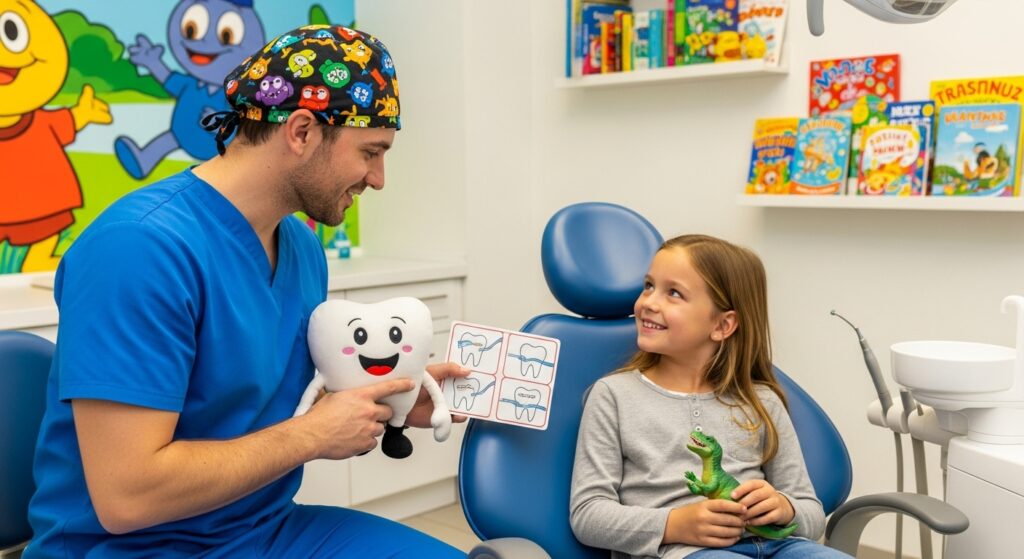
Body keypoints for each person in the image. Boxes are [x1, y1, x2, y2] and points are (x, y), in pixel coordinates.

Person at [25, 24, 469, 558]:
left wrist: (391, 400)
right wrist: (312, 436)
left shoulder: (301, 248)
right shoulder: (139, 250)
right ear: (302, 131)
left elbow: (266, 403)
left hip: (264, 531)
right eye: (370, 152)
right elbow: (128, 497)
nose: (378, 179)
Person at [569, 235, 852, 559]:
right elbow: (587, 515)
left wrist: (785, 508)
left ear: (722, 325)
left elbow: (811, 513)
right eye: (648, 286)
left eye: (673, 293)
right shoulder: (613, 397)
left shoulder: (761, 401)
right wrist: (673, 524)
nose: (648, 301)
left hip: (780, 547)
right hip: (681, 552)